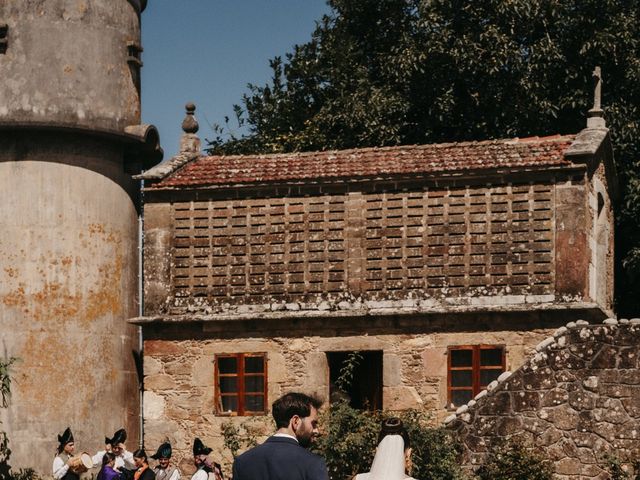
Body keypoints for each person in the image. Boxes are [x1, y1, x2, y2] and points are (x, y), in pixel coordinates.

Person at [232, 392, 328, 480]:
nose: (317, 430)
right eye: (313, 424)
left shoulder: (242, 462)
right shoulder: (313, 463)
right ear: (295, 421)